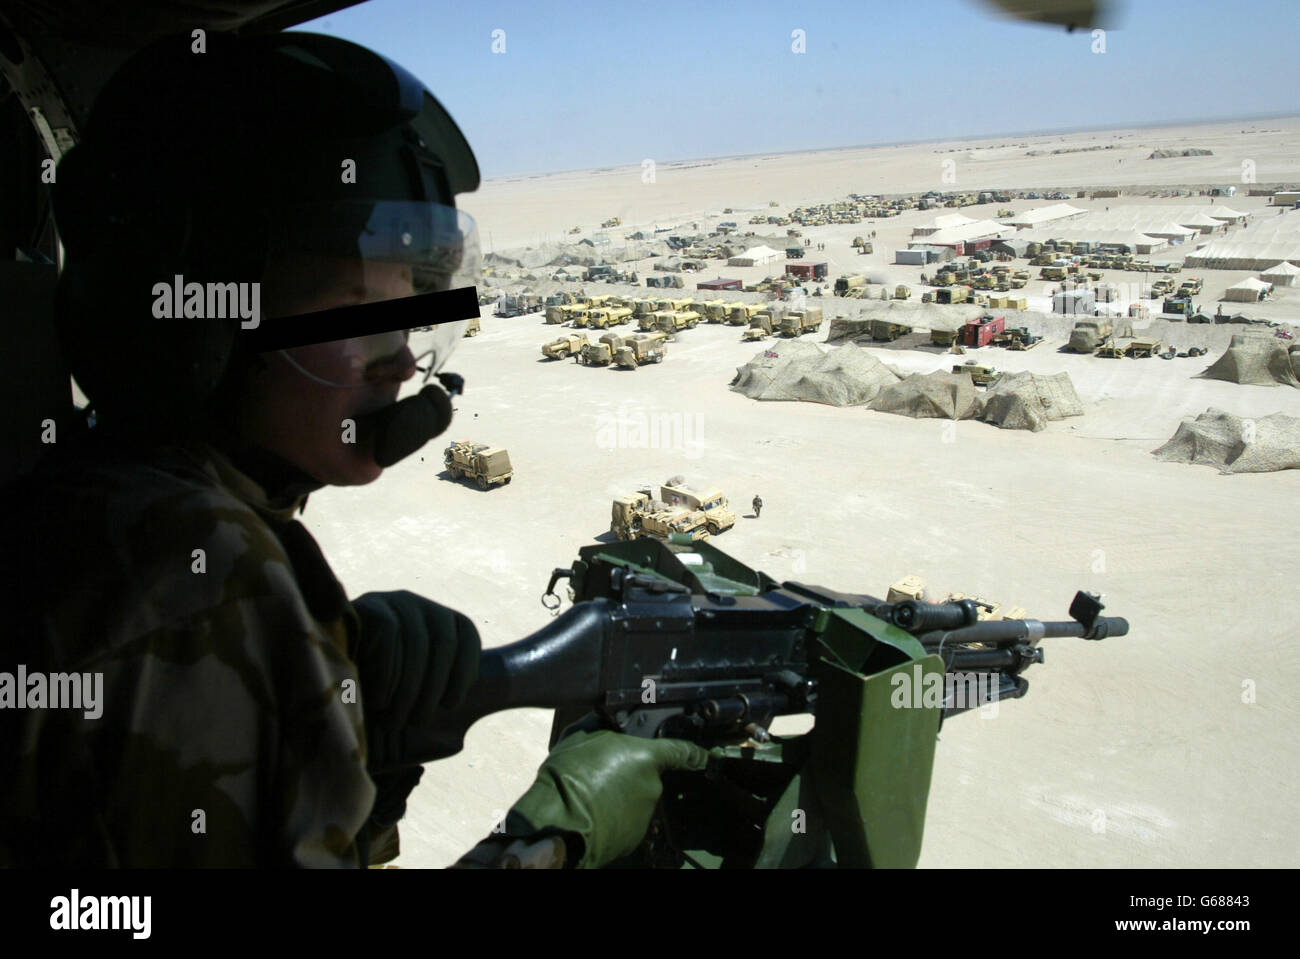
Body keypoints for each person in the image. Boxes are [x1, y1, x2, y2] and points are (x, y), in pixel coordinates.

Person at [0, 32, 705, 869]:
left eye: (407, 308)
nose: (404, 359)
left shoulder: (94, 505)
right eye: (354, 307)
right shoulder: (189, 579)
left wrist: (356, 749)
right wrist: (562, 828)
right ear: (195, 319)